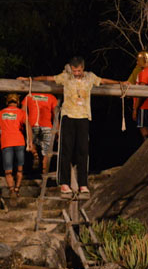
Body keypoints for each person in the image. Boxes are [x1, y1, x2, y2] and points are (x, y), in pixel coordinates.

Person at [19, 57, 126, 198]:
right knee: (66, 150)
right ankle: (64, 184)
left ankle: (83, 184)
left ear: (83, 68)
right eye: (74, 70)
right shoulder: (66, 77)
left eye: (79, 70)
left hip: (83, 117)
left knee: (83, 151)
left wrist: (120, 83)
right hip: (68, 117)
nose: (76, 73)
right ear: (71, 69)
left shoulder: (90, 77)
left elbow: (104, 80)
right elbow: (48, 78)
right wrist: (29, 79)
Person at [0, 94, 29, 199]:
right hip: (19, 142)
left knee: (8, 170)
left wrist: (1, 138)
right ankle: (17, 189)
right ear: (17, 102)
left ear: (7, 102)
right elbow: (28, 127)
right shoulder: (21, 112)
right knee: (20, 169)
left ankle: (11, 190)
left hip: (6, 143)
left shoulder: (0, 113)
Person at [21, 92, 58, 174]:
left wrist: (23, 126)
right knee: (46, 152)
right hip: (47, 126)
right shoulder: (51, 97)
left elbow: (22, 112)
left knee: (31, 144)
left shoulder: (29, 95)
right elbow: (56, 115)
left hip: (32, 125)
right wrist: (58, 131)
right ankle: (44, 171)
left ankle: (35, 154)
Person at [132, 51, 148, 141]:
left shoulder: (144, 72)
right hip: (144, 106)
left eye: (138, 60)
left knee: (144, 131)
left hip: (144, 107)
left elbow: (141, 92)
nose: (137, 62)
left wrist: (135, 109)